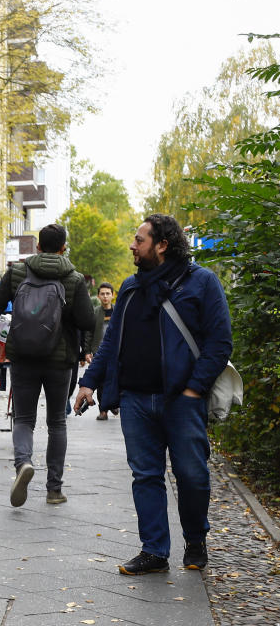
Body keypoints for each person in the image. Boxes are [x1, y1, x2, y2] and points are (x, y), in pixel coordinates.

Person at [75, 215, 231, 576]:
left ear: (162, 244)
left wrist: (194, 389)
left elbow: (220, 341)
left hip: (182, 400)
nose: (133, 245)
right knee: (145, 475)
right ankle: (154, 551)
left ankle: (195, 539)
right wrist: (89, 381)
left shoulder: (201, 283)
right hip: (135, 400)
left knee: (192, 475)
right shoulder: (131, 287)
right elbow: (112, 342)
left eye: (139, 239)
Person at [0, 225, 95, 507]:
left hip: (23, 356)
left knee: (23, 419)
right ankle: (54, 490)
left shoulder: (18, 272)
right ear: (63, 248)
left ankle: (23, 464)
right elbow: (87, 321)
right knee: (56, 422)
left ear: (38, 247)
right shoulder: (74, 278)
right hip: (60, 360)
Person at [86, 282, 115, 419]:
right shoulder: (95, 312)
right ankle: (103, 410)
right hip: (99, 352)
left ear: (112, 295)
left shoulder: (118, 311)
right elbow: (89, 333)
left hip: (116, 351)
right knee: (101, 382)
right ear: (98, 296)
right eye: (102, 294)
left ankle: (114, 404)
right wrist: (87, 351)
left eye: (108, 293)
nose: (105, 297)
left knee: (115, 379)